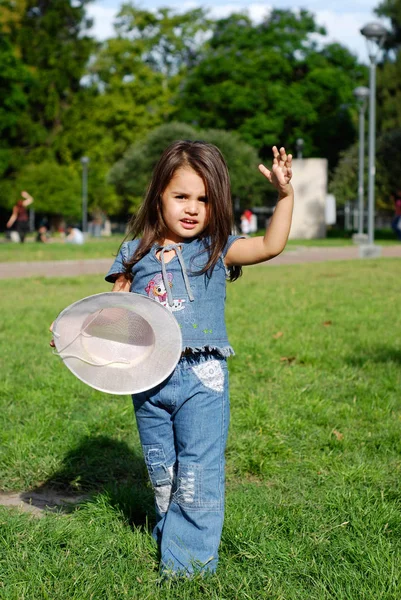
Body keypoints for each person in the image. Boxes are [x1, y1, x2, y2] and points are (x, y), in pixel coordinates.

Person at [51, 140, 293, 578]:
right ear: (158, 194)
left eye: (204, 199)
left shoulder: (216, 249)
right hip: (148, 380)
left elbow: (270, 246)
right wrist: (75, 333)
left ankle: (189, 571)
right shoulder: (133, 253)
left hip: (203, 379)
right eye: (181, 196)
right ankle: (171, 537)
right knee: (163, 473)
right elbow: (113, 315)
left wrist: (285, 196)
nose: (192, 208)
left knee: (199, 474)